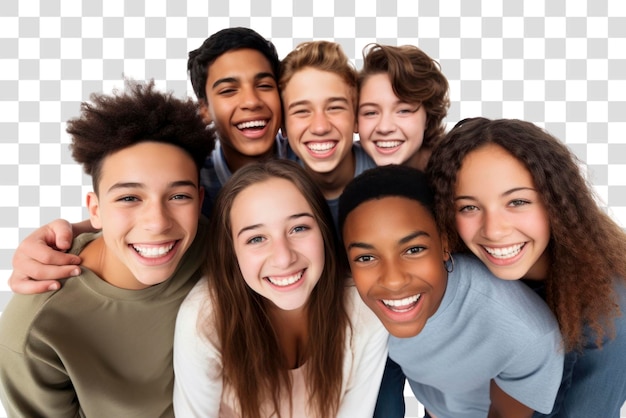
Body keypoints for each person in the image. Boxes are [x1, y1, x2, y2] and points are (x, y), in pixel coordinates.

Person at [8, 27, 286, 293]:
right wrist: (61, 236)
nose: (251, 101)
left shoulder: (310, 158)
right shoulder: (189, 172)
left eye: (264, 85)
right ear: (204, 109)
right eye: (228, 90)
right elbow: (135, 204)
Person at [0, 81, 214, 417]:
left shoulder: (216, 246)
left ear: (200, 202)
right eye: (129, 198)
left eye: (178, 196)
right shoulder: (37, 327)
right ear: (95, 209)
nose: (157, 222)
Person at [427, 117, 626, 417]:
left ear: (555, 202)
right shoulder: (460, 272)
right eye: (469, 207)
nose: (493, 230)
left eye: (517, 202)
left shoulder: (606, 314)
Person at [338, 164, 564, 417]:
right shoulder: (356, 307)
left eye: (413, 250)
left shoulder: (526, 336)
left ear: (444, 244)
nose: (393, 281)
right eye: (366, 257)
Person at [172, 159, 388, 417]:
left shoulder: (362, 306)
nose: (284, 258)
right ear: (231, 252)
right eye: (256, 238)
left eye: (298, 228)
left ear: (323, 231)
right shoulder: (203, 319)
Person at [278, 40, 375, 225]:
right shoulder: (273, 185)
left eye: (334, 108)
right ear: (282, 126)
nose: (320, 127)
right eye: (301, 111)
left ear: (356, 119)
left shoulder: (387, 172)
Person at [357, 43, 449, 170]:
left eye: (403, 111)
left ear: (428, 117)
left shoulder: (458, 171)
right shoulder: (347, 167)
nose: (385, 128)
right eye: (370, 113)